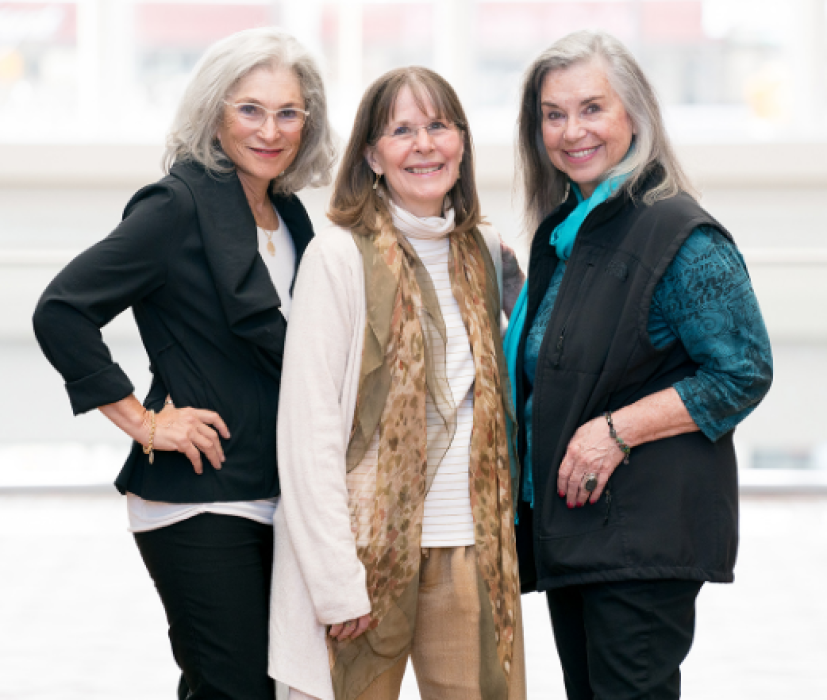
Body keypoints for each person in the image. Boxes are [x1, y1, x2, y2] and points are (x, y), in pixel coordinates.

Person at [32, 27, 335, 700]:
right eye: (249, 109)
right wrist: (145, 423)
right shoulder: (175, 205)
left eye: (288, 112)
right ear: (213, 112)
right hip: (197, 496)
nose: (271, 130)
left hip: (279, 490)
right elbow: (61, 310)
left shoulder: (290, 214)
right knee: (232, 689)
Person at [505, 31, 773, 700]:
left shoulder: (677, 232)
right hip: (578, 533)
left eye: (592, 108)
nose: (571, 132)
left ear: (634, 113)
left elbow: (741, 370)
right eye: (552, 114)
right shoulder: (569, 231)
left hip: (637, 537)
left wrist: (614, 430)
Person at [269, 67, 526, 700]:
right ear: (371, 156)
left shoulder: (486, 251)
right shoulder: (338, 257)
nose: (424, 145)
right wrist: (334, 581)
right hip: (363, 554)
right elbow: (309, 431)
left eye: (439, 126)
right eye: (401, 130)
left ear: (461, 144)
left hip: (472, 553)